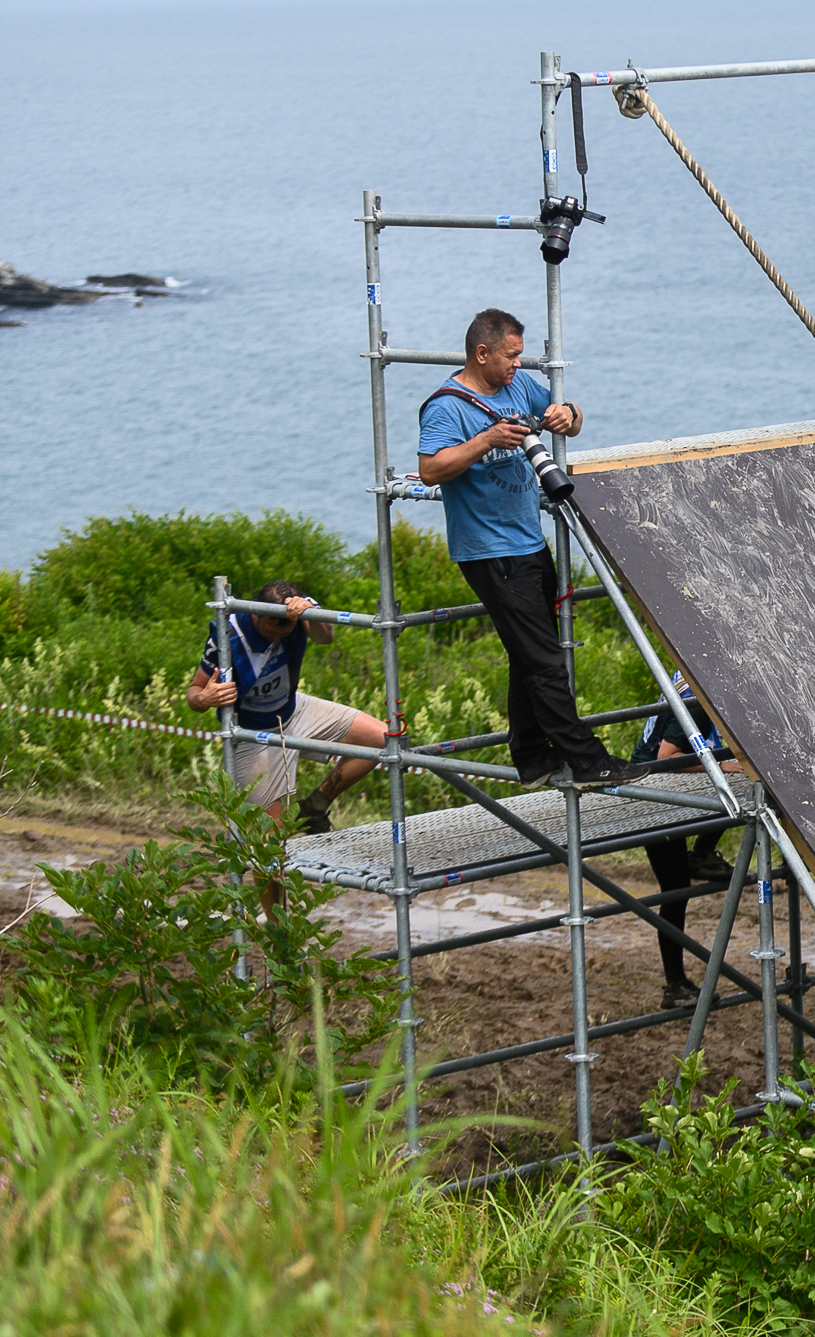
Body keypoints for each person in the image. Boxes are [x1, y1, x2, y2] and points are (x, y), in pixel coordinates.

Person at [417, 307, 646, 791]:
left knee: (528, 655)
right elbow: (431, 470)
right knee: (544, 660)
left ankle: (530, 757)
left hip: (527, 539)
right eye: (511, 356)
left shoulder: (518, 387)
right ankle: (587, 762)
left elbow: (570, 419)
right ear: (482, 353)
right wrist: (488, 440)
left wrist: (570, 414)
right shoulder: (446, 406)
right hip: (488, 550)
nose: (519, 365)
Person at [186, 582, 387, 835]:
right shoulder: (228, 634)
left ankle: (315, 806)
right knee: (271, 839)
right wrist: (205, 698)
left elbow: (326, 637)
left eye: (285, 632)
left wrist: (310, 610)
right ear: (256, 614)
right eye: (271, 632)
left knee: (381, 738)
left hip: (293, 709)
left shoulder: (301, 613)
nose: (277, 639)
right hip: (252, 731)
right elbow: (193, 693)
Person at [636, 685, 738, 1010]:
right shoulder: (701, 688)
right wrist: (721, 766)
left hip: (665, 783)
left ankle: (701, 855)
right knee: (675, 890)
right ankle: (674, 985)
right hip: (653, 789)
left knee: (739, 778)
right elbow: (667, 757)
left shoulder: (693, 669)